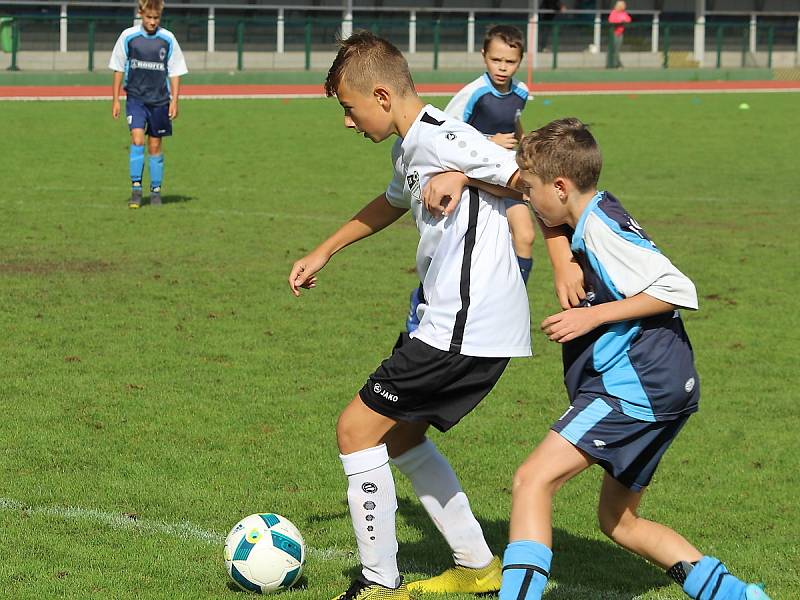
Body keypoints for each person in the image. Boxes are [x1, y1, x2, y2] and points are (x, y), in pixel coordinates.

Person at [288, 31, 577, 600]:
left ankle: (377, 583)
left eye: (349, 109)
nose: (348, 122)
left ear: (379, 95)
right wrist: (324, 250)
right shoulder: (410, 147)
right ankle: (476, 568)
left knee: (354, 430)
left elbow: (531, 182)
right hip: (458, 324)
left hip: (464, 324)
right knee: (399, 438)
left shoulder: (445, 136)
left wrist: (467, 177)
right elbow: (394, 200)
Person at [497, 117, 773, 600]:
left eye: (533, 189)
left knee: (532, 481)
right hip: (670, 386)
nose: (527, 199)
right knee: (619, 520)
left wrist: (593, 316)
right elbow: (549, 211)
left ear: (561, 187)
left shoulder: (602, 231)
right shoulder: (592, 207)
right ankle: (739, 596)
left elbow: (676, 288)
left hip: (632, 389)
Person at [404, 24, 536, 334]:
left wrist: (525, 141)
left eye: (510, 62)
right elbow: (446, 133)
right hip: (471, 180)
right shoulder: (473, 92)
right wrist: (491, 142)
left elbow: (514, 122)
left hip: (504, 177)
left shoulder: (521, 92)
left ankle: (508, 303)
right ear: (484, 56)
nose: (502, 68)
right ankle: (420, 298)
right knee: (452, 255)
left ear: (521, 60)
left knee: (525, 236)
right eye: (496, 60)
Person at [109, 0, 188, 208]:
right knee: (137, 140)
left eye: (156, 18)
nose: (152, 22)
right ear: (141, 14)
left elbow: (176, 71)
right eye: (148, 17)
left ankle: (155, 191)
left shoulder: (167, 39)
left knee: (155, 146)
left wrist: (175, 101)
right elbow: (118, 68)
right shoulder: (128, 37)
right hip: (136, 98)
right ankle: (136, 190)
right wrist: (116, 99)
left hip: (160, 101)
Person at [608, 0, 631, 69]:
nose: (624, 6)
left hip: (620, 33)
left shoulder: (623, 13)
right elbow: (611, 20)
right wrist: (619, 21)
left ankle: (617, 64)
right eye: (622, 5)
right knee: (614, 49)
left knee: (617, 49)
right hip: (614, 33)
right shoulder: (614, 12)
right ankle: (615, 64)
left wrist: (623, 20)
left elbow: (628, 19)